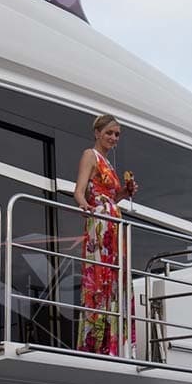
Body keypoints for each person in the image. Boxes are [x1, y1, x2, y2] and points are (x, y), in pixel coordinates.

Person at [73, 114, 138, 356]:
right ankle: (96, 342)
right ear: (97, 133)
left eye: (117, 134)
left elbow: (112, 197)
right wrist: (85, 206)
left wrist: (124, 192)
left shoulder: (108, 163)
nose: (113, 137)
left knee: (115, 277)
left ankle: (112, 343)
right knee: (99, 277)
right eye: (109, 132)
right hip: (100, 221)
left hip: (113, 221)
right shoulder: (90, 155)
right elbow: (79, 191)